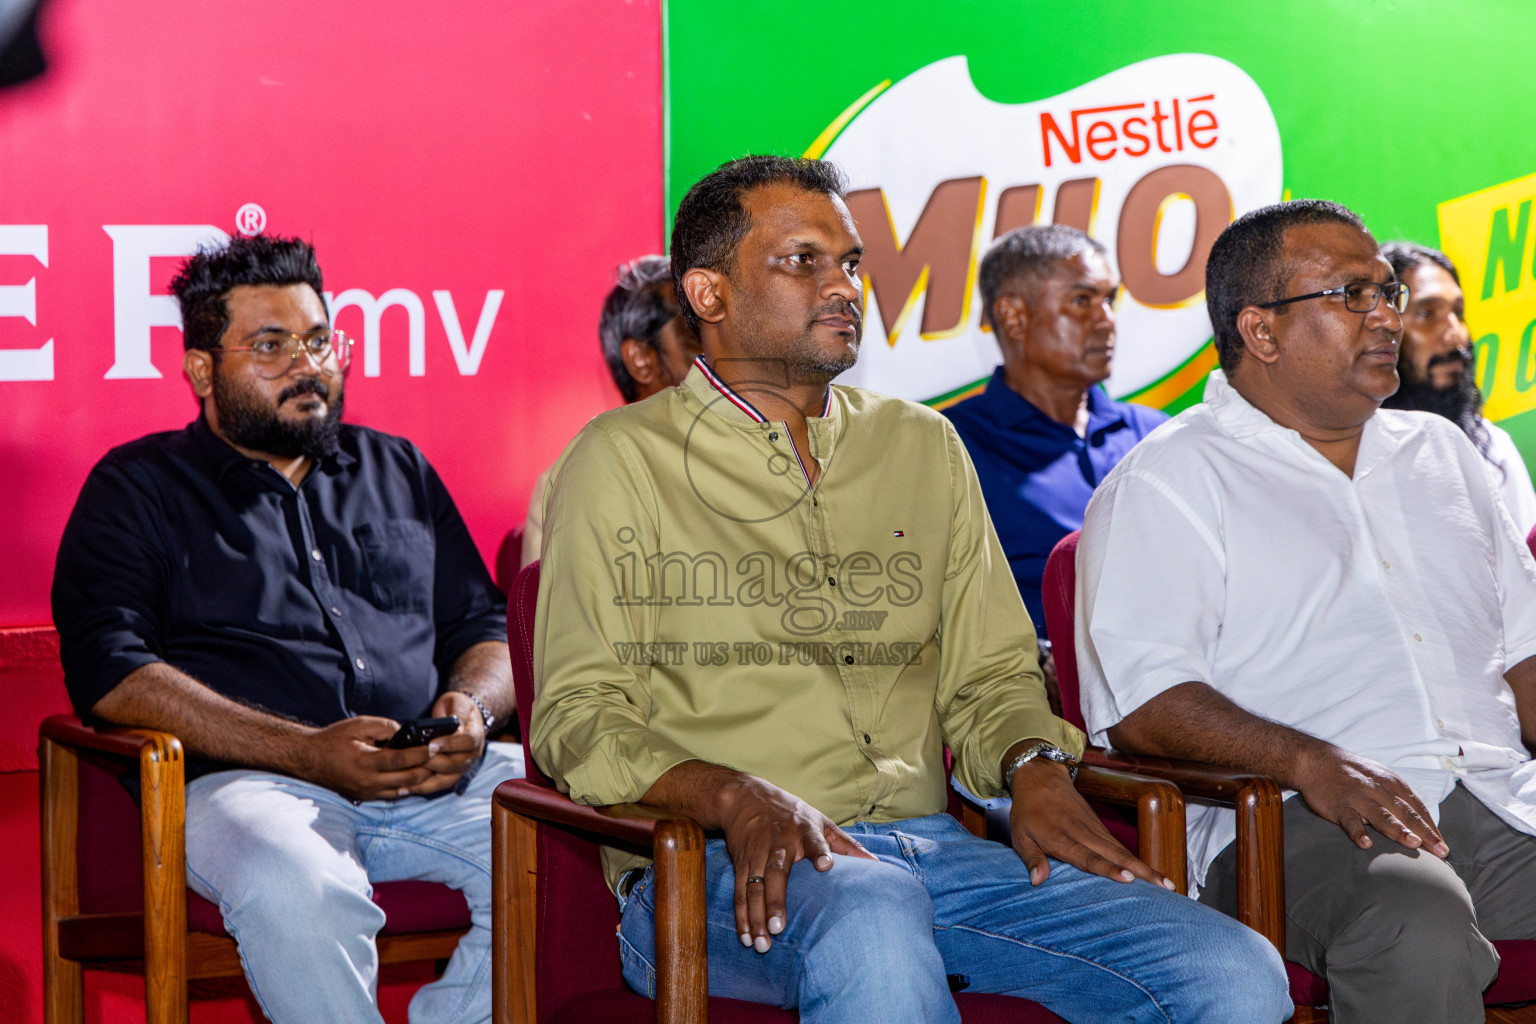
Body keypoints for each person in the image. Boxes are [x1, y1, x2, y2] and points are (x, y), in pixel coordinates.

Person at [531, 155, 1288, 1023]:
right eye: (802, 261)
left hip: (940, 857)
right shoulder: (620, 460)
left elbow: (992, 677)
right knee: (873, 918)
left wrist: (1030, 762)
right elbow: (578, 717)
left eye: (851, 263)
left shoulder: (921, 445)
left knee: (1231, 969)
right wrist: (731, 793)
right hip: (709, 866)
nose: (845, 287)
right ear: (708, 295)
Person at [1077, 199, 1536, 1024]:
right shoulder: (1169, 481)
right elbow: (1146, 704)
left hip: (1499, 795)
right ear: (1261, 331)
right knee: (1413, 919)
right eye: (1353, 295)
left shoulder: (1444, 455)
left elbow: (1524, 654)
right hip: (1296, 823)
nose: (1386, 316)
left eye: (1388, 292)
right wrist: (1309, 761)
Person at [52, 235, 522, 1024]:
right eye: (270, 345)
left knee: (576, 840)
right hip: (246, 787)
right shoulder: (137, 488)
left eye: (316, 339)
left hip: (428, 777)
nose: (308, 365)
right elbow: (113, 671)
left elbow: (485, 625)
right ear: (203, 369)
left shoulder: (396, 468)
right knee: (296, 884)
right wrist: (304, 751)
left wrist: (470, 711)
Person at [944, 224, 1166, 702]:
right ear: (1014, 316)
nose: (1107, 321)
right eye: (1083, 301)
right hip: (1034, 717)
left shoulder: (1160, 435)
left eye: (1110, 300)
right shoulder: (946, 447)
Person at [519, 255, 702, 568]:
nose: (718, 348)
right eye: (693, 331)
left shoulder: (775, 453)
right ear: (641, 359)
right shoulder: (576, 482)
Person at [1380, 241, 1536, 534]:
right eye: (1427, 314)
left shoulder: (1492, 449)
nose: (1456, 335)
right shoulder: (1350, 455)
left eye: (1459, 313)